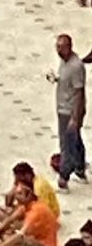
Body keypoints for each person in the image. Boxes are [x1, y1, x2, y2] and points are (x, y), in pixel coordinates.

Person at [54, 33, 86, 191]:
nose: (59, 50)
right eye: (57, 47)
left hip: (69, 110)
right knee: (75, 139)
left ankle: (64, 176)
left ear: (70, 47)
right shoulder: (64, 61)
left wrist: (75, 117)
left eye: (62, 47)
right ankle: (80, 168)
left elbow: (79, 93)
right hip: (62, 107)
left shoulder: (76, 66)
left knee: (66, 144)